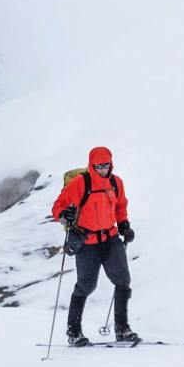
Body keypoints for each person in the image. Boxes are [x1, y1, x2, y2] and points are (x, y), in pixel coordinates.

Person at [50, 145, 137, 345]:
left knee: (123, 280)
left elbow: (120, 205)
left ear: (111, 164)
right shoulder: (80, 183)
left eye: (106, 165)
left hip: (110, 238)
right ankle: (74, 332)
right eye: (98, 166)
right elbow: (57, 206)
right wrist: (64, 215)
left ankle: (122, 329)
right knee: (86, 285)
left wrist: (124, 225)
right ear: (91, 165)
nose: (102, 169)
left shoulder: (116, 183)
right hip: (87, 242)